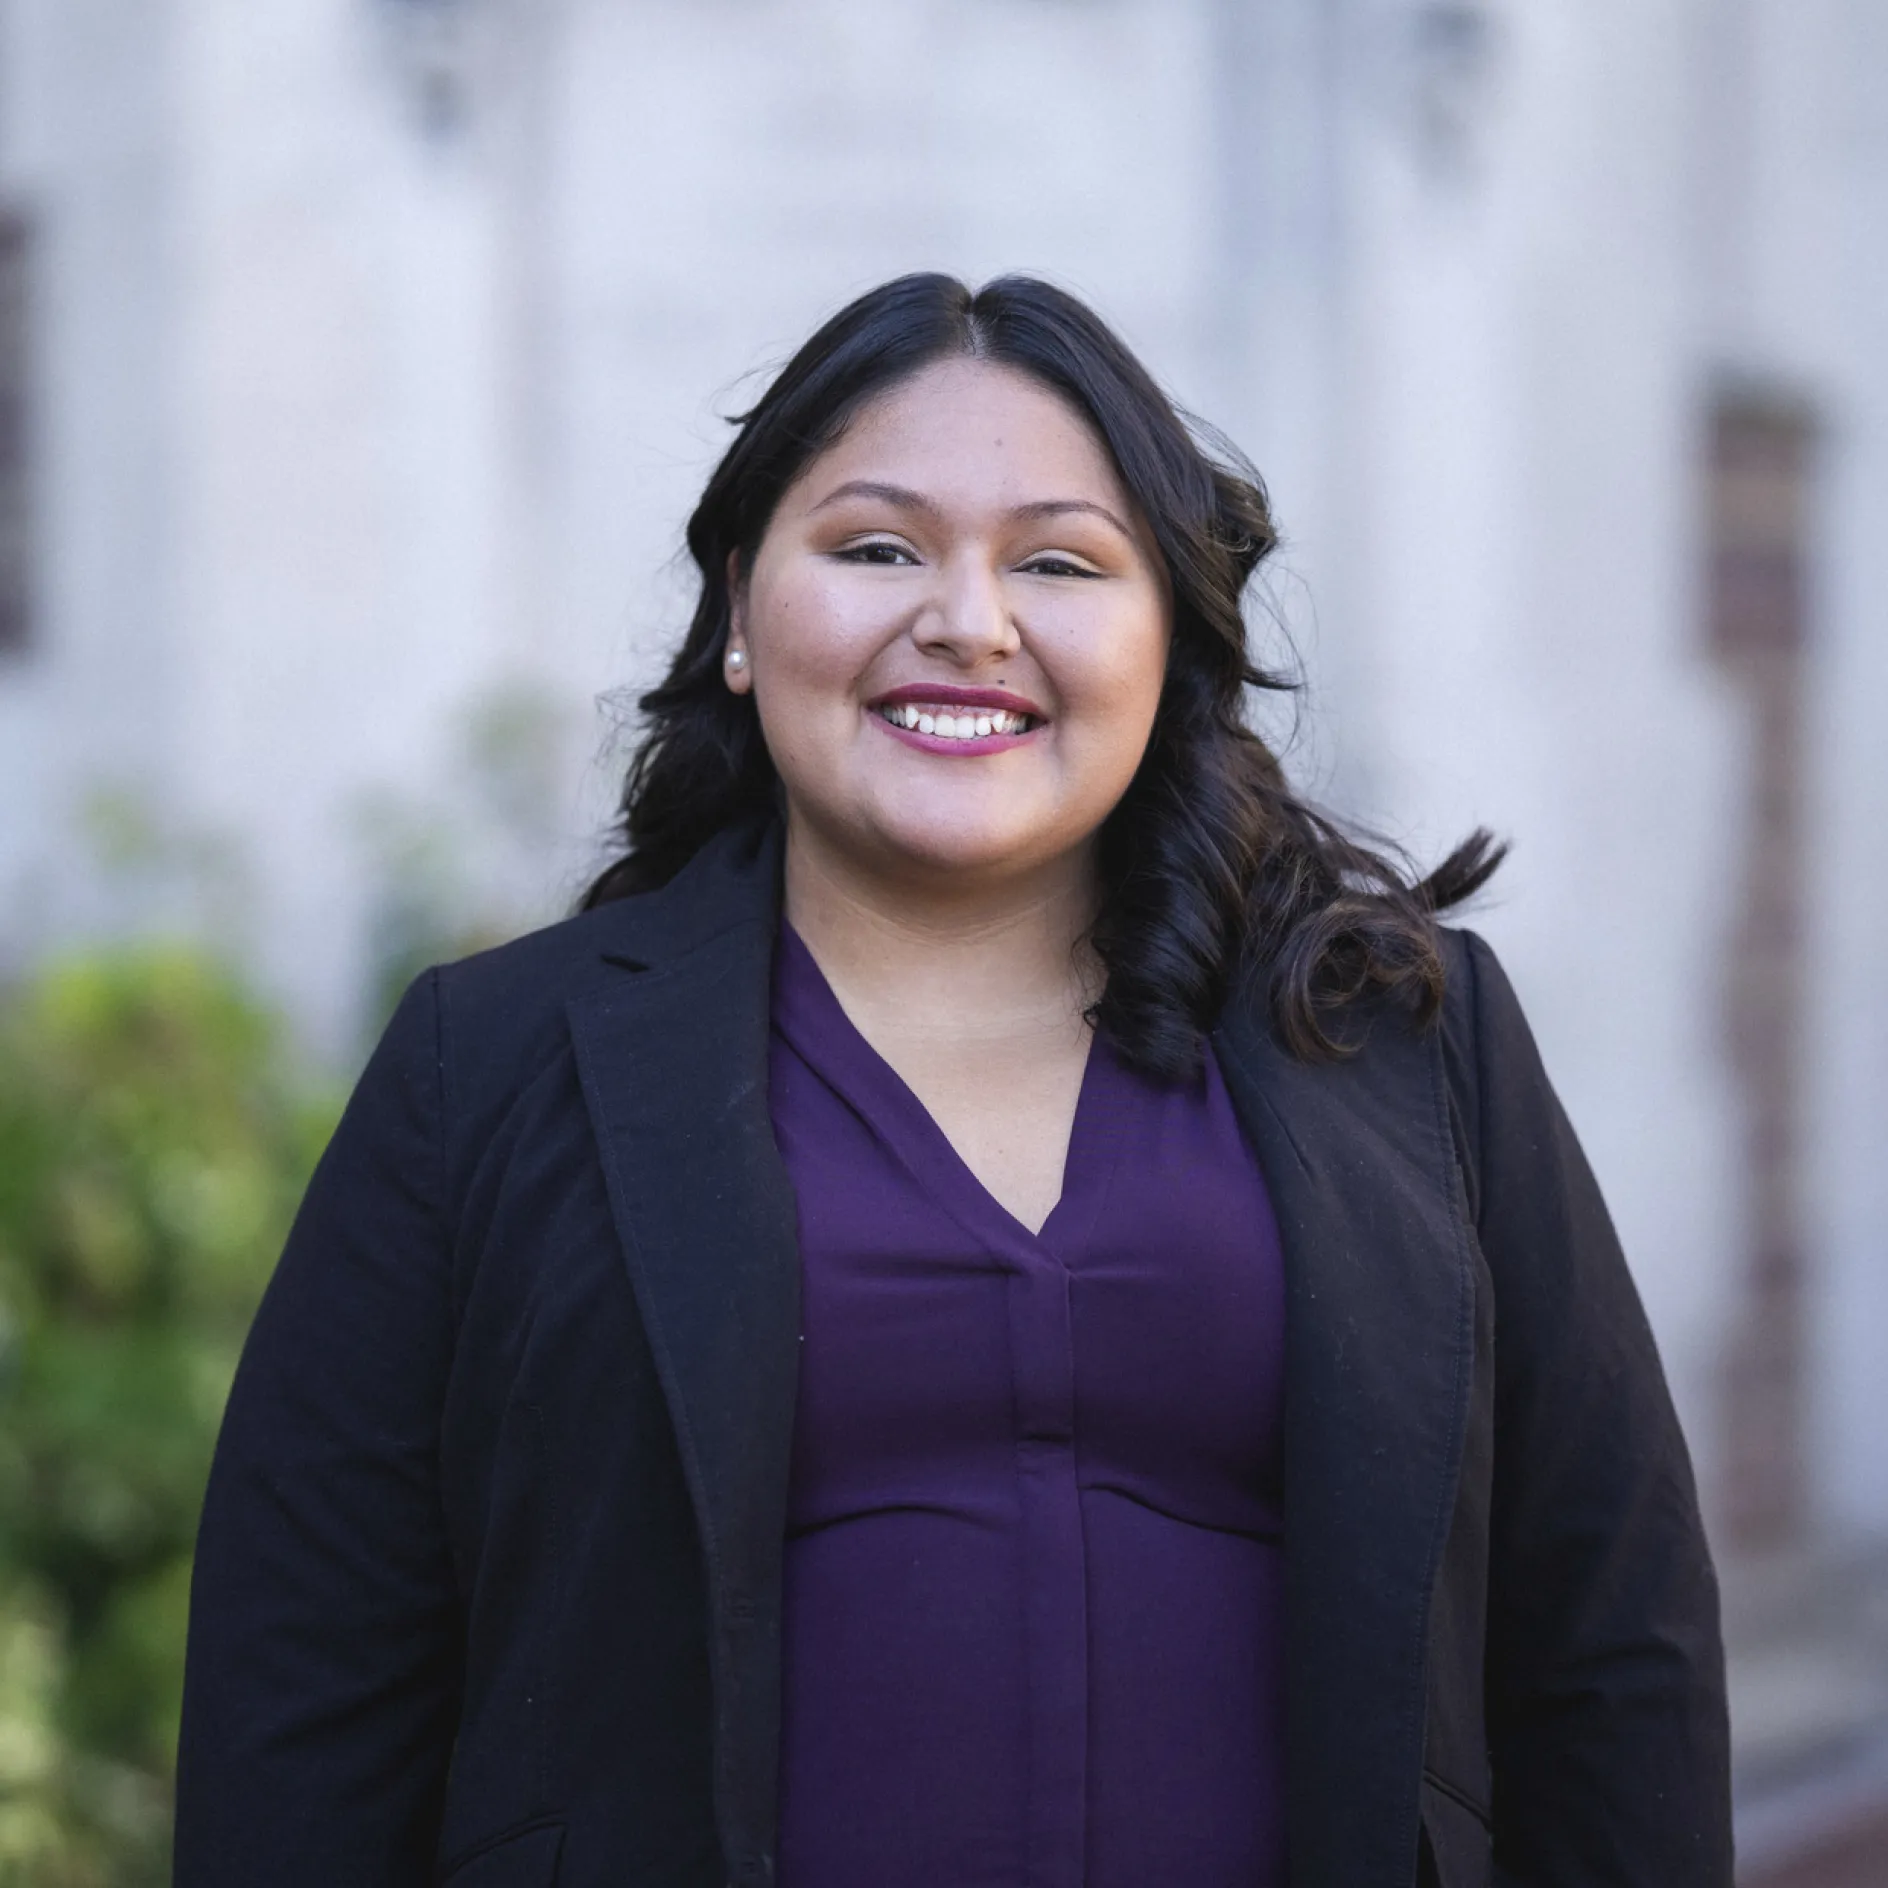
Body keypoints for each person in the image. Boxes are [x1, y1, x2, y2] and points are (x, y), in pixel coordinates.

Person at [174, 273, 1732, 1888]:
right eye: (875, 548)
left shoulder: (1410, 1038)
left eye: (1059, 562)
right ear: (734, 611)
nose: (968, 620)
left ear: (1170, 642)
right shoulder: (488, 1064)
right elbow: (307, 1691)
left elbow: (1611, 1641)